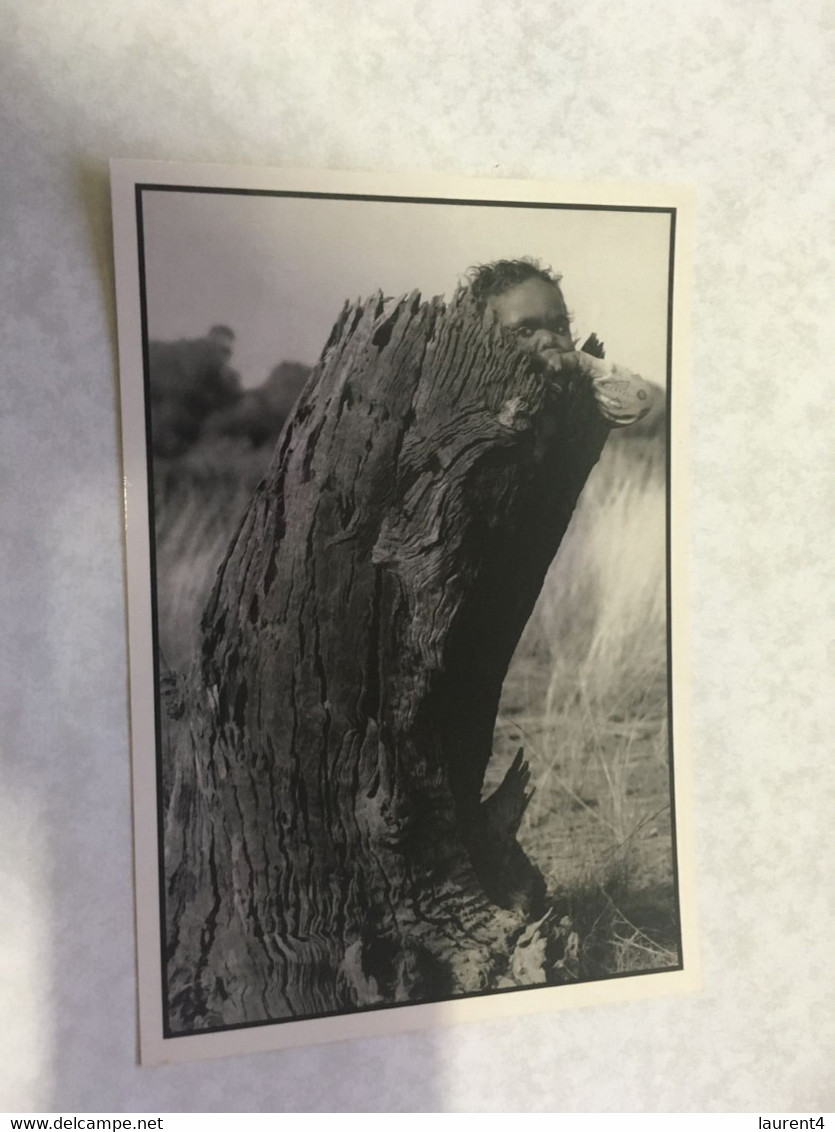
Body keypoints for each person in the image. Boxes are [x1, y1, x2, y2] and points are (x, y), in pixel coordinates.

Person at [467, 258, 655, 428]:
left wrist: (585, 363)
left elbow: (641, 400)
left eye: (559, 328)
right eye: (525, 331)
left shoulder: (576, 395)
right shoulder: (472, 397)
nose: (549, 339)